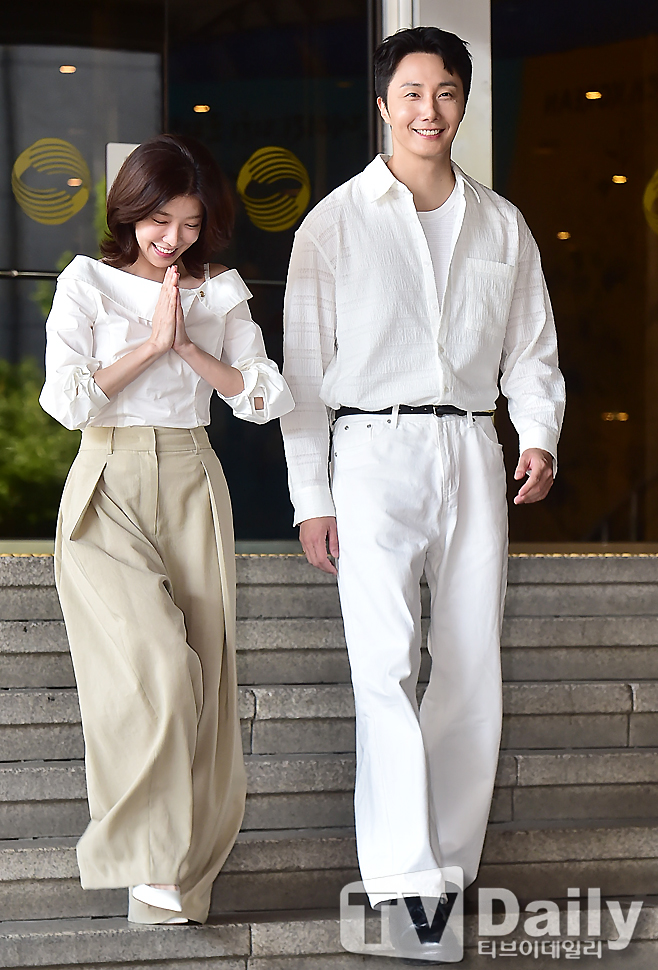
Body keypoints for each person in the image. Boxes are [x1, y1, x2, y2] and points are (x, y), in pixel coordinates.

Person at [280, 26, 565, 957]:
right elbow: (303, 376)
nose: (428, 110)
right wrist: (311, 497)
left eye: (445, 92)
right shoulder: (333, 223)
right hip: (370, 450)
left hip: (473, 446)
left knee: (472, 660)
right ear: (382, 104)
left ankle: (449, 864)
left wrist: (539, 436)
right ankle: (407, 884)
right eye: (410, 93)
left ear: (464, 103)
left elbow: (531, 349)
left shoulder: (502, 223)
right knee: (385, 661)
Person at [40, 133, 294, 925]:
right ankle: (145, 854)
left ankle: (178, 877)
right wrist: (151, 346)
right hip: (108, 481)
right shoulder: (86, 282)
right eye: (158, 220)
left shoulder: (220, 290)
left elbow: (265, 397)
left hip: (191, 479)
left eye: (189, 222)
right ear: (130, 210)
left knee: (204, 682)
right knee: (155, 664)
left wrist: (185, 344)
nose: (173, 238)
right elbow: (66, 402)